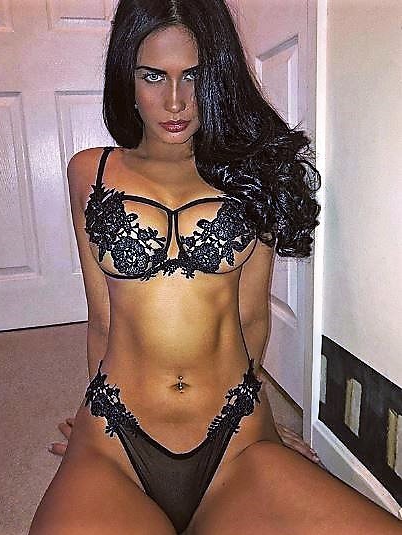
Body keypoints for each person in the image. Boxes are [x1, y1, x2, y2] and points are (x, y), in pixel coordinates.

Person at [29, 1, 402, 533]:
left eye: (194, 76)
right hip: (116, 437)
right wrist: (87, 433)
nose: (175, 101)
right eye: (153, 76)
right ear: (126, 77)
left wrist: (266, 426)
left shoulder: (255, 173)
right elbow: (104, 319)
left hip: (234, 438)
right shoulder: (90, 171)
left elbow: (251, 319)